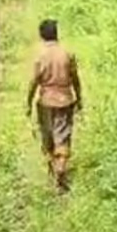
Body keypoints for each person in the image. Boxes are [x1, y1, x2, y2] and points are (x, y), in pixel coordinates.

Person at [25, 19, 82, 193]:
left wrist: (28, 102)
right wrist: (79, 98)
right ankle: (60, 169)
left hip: (45, 101)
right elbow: (75, 79)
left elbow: (34, 82)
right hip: (65, 100)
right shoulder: (67, 54)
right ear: (56, 34)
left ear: (41, 35)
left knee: (47, 137)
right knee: (62, 137)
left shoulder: (40, 56)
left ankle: (54, 166)